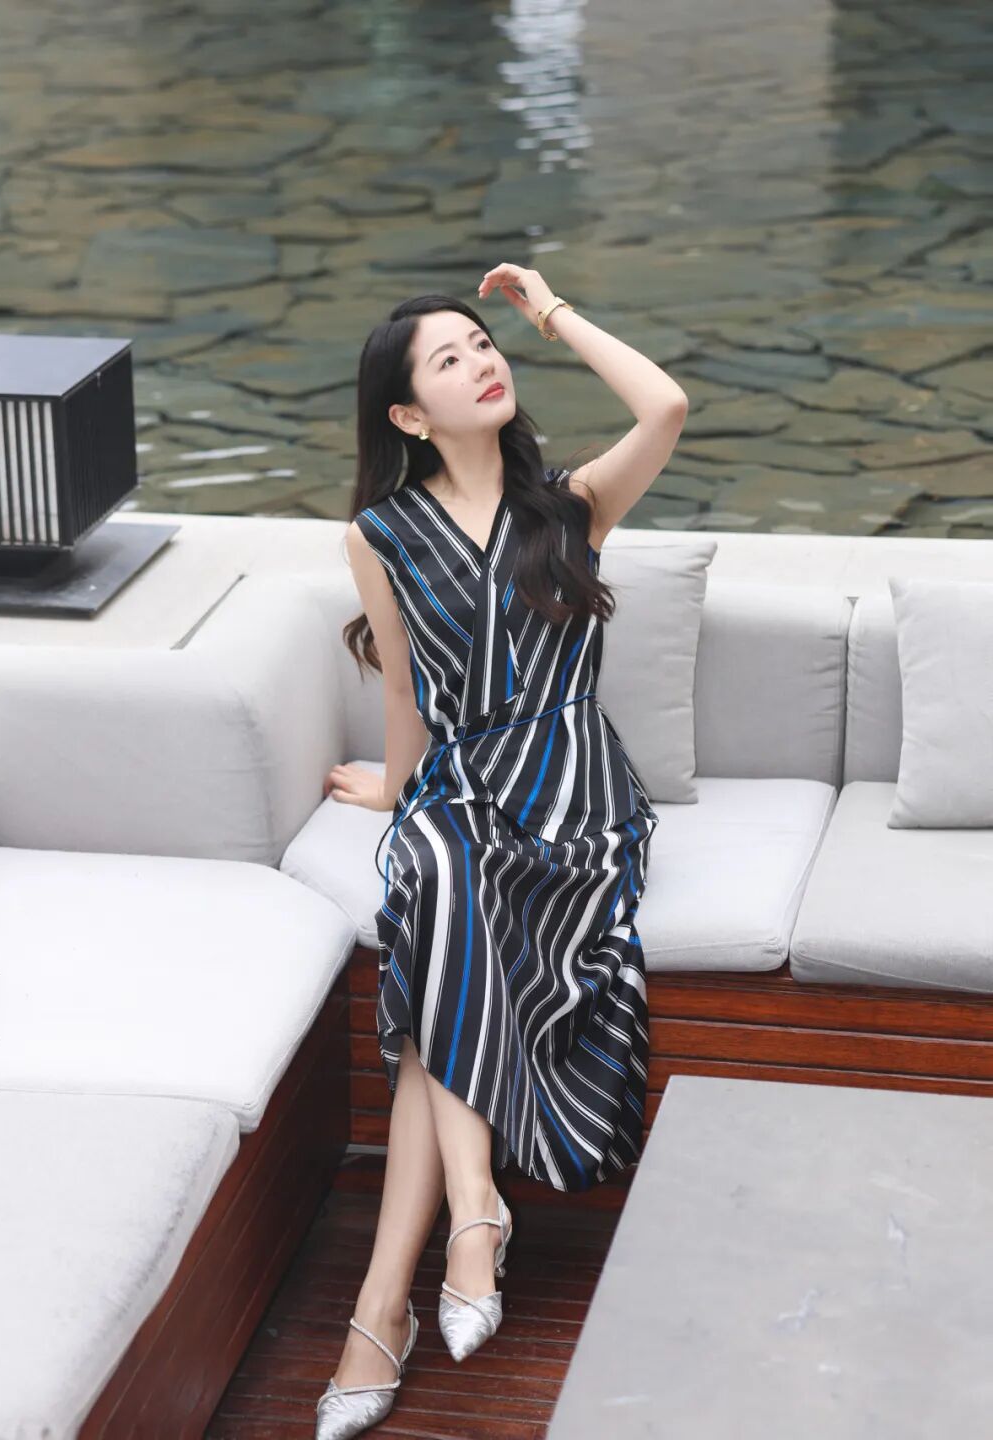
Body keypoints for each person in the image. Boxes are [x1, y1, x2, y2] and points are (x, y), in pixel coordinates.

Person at [314, 263, 688, 1438]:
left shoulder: (569, 505)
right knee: (435, 861)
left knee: (436, 896)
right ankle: (463, 1227)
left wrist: (551, 312)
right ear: (406, 414)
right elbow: (407, 698)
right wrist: (395, 788)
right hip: (464, 790)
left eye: (484, 345)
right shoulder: (378, 535)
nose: (482, 361)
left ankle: (386, 1307)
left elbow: (666, 406)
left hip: (574, 795)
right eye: (450, 357)